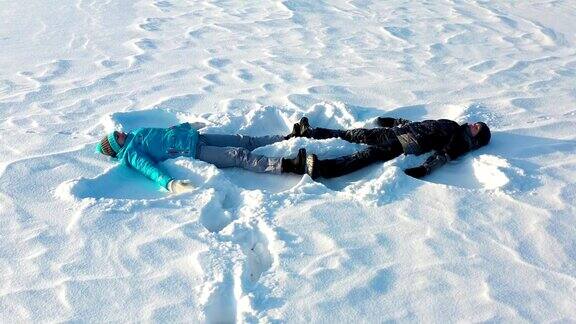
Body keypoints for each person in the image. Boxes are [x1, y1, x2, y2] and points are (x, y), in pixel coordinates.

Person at [96, 122, 307, 193]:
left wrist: (187, 126)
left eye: (117, 132)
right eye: (117, 137)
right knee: (239, 155)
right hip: (194, 151)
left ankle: (287, 137)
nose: (120, 133)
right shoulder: (133, 154)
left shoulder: (138, 133)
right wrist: (170, 184)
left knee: (244, 140)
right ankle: (288, 165)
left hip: (196, 137)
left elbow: (166, 131)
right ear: (116, 146)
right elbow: (149, 169)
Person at [286, 116, 491, 179]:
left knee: (367, 155)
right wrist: (395, 121)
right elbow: (423, 124)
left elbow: (442, 156)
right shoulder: (454, 125)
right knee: (353, 134)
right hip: (398, 132)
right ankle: (309, 132)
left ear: (476, 139)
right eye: (476, 124)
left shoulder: (459, 142)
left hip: (403, 143)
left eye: (477, 129)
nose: (474, 125)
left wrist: (424, 169)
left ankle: (322, 169)